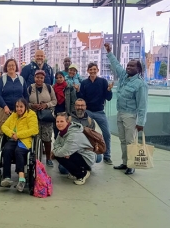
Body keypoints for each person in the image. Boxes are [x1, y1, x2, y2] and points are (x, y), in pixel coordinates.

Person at [104, 43, 148, 175]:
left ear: (138, 69)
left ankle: (132, 165)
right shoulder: (124, 77)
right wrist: (109, 52)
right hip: (120, 113)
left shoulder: (141, 84)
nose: (128, 67)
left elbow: (143, 105)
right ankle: (125, 162)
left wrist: (141, 122)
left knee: (130, 141)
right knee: (123, 140)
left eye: (132, 66)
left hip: (131, 116)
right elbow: (117, 65)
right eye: (128, 65)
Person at [75, 62, 114, 164]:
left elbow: (108, 98)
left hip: (100, 112)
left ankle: (107, 155)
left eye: (94, 69)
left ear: (97, 70)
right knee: (84, 132)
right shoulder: (84, 83)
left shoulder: (103, 82)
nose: (92, 71)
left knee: (107, 134)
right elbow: (81, 98)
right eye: (90, 69)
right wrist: (78, 91)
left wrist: (109, 90)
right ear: (87, 71)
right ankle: (84, 153)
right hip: (87, 111)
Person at [0, 98, 39, 192]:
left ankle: (22, 179)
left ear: (25, 107)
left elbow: (34, 130)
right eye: (17, 106)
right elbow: (3, 126)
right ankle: (7, 178)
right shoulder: (14, 114)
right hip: (14, 139)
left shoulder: (31, 114)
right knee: (6, 149)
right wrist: (12, 134)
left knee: (18, 151)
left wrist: (19, 135)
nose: (19, 109)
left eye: (21, 107)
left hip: (25, 140)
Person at [57, 98, 102, 175]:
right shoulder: (68, 120)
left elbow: (91, 138)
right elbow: (62, 138)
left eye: (82, 105)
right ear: (74, 106)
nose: (80, 107)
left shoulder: (90, 121)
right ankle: (81, 165)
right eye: (78, 105)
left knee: (98, 158)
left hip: (84, 149)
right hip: (71, 149)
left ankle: (83, 165)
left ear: (85, 107)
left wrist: (93, 148)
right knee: (63, 170)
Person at [51, 112, 96, 185]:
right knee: (61, 154)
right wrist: (62, 151)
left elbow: (63, 151)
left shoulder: (73, 134)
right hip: (77, 153)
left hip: (87, 157)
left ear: (67, 121)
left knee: (59, 155)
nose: (59, 124)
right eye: (57, 121)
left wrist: (58, 152)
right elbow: (56, 144)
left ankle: (82, 174)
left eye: (62, 121)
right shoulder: (62, 132)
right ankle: (77, 171)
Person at [28, 70, 57, 167]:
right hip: (33, 117)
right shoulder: (29, 88)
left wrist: (46, 105)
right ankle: (36, 158)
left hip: (46, 117)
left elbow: (54, 101)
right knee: (35, 138)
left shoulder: (49, 88)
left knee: (47, 138)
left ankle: (48, 158)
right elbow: (25, 103)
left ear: (44, 79)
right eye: (37, 77)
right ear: (34, 78)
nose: (39, 79)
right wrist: (32, 105)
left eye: (41, 77)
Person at [0, 58, 28, 135]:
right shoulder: (2, 79)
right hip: (4, 111)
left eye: (13, 65)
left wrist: (25, 107)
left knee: (17, 131)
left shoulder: (21, 79)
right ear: (6, 67)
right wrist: (4, 106)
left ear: (16, 67)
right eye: (9, 65)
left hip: (18, 110)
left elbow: (26, 95)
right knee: (3, 132)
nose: (11, 67)